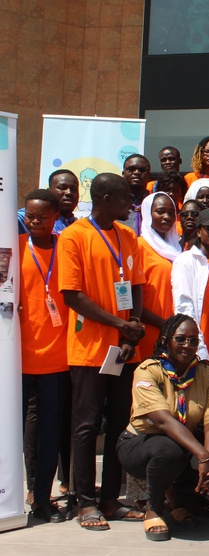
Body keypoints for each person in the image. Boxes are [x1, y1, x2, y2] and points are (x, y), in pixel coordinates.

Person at [58, 173, 146, 529]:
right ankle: (85, 501)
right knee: (86, 425)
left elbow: (136, 286)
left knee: (120, 426)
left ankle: (110, 498)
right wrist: (119, 325)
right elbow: (72, 296)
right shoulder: (73, 237)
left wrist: (132, 328)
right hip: (89, 350)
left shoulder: (128, 237)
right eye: (126, 198)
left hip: (124, 350)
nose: (131, 204)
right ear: (106, 199)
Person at [116, 315, 209, 541]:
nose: (187, 346)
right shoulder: (147, 370)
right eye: (180, 339)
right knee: (168, 450)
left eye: (193, 341)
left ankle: (178, 501)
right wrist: (202, 454)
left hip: (182, 445)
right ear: (165, 340)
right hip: (140, 443)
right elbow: (162, 421)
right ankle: (153, 509)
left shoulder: (207, 373)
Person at [20, 189, 70, 523]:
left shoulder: (66, 246)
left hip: (58, 357)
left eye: (41, 216)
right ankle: (20, 492)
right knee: (20, 429)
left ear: (55, 216)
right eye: (30, 216)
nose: (34, 221)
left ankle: (42, 498)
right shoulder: (11, 244)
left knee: (51, 429)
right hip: (18, 358)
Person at [171, 207, 209, 371]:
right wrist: (198, 349)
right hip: (199, 348)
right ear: (199, 232)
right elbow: (184, 307)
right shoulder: (186, 261)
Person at [138, 192, 183, 361]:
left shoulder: (178, 249)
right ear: (148, 214)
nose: (167, 217)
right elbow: (135, 296)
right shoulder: (139, 247)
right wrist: (164, 325)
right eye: (160, 211)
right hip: (151, 330)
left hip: (176, 334)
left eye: (171, 212)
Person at [18, 169, 79, 236]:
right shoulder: (27, 217)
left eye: (73, 189)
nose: (69, 192)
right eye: (62, 188)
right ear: (49, 191)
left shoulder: (82, 226)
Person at [120, 154, 152, 235]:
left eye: (142, 170)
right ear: (123, 174)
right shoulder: (115, 204)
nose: (137, 172)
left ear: (149, 176)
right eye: (131, 169)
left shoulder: (156, 203)